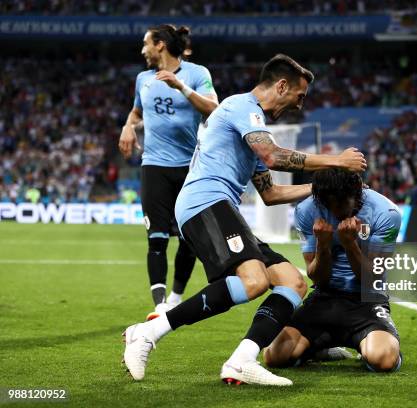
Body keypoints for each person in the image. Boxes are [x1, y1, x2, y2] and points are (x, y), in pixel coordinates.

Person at [122, 54, 367, 385]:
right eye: (299, 96)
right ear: (281, 85)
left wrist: (326, 187)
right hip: (203, 202)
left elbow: (271, 195)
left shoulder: (252, 127)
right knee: (254, 281)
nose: (299, 106)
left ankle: (241, 361)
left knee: (291, 281)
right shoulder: (243, 107)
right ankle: (148, 332)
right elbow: (274, 156)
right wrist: (335, 161)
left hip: (221, 206)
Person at [118, 24, 219, 320]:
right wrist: (128, 127)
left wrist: (181, 87)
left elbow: (214, 108)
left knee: (188, 240)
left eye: (146, 44)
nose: (142, 50)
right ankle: (160, 304)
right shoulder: (143, 80)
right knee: (157, 238)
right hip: (153, 166)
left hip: (189, 168)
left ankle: (176, 296)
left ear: (160, 44)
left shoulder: (197, 74)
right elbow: (137, 113)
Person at [263, 169, 403, 373]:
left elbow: (372, 278)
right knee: (274, 356)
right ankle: (320, 349)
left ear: (356, 194)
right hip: (324, 297)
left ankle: (376, 343)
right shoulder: (307, 209)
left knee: (382, 360)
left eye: (339, 204)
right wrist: (322, 245)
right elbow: (317, 277)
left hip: (366, 301)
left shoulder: (387, 213)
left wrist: (350, 245)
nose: (333, 211)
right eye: (327, 204)